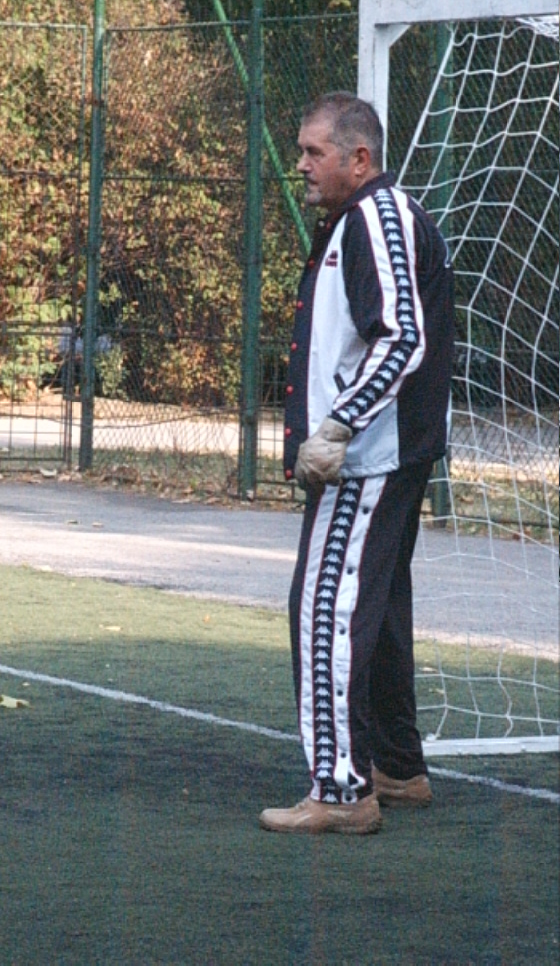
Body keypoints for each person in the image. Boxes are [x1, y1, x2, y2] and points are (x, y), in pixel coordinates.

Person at [260, 92, 454, 835]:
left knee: (326, 608)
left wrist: (338, 427)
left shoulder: (377, 217)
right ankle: (396, 767)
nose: (302, 165)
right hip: (378, 455)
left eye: (314, 152)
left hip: (367, 461)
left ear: (359, 158)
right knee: (381, 609)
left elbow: (400, 338)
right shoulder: (362, 220)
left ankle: (341, 791)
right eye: (301, 151)